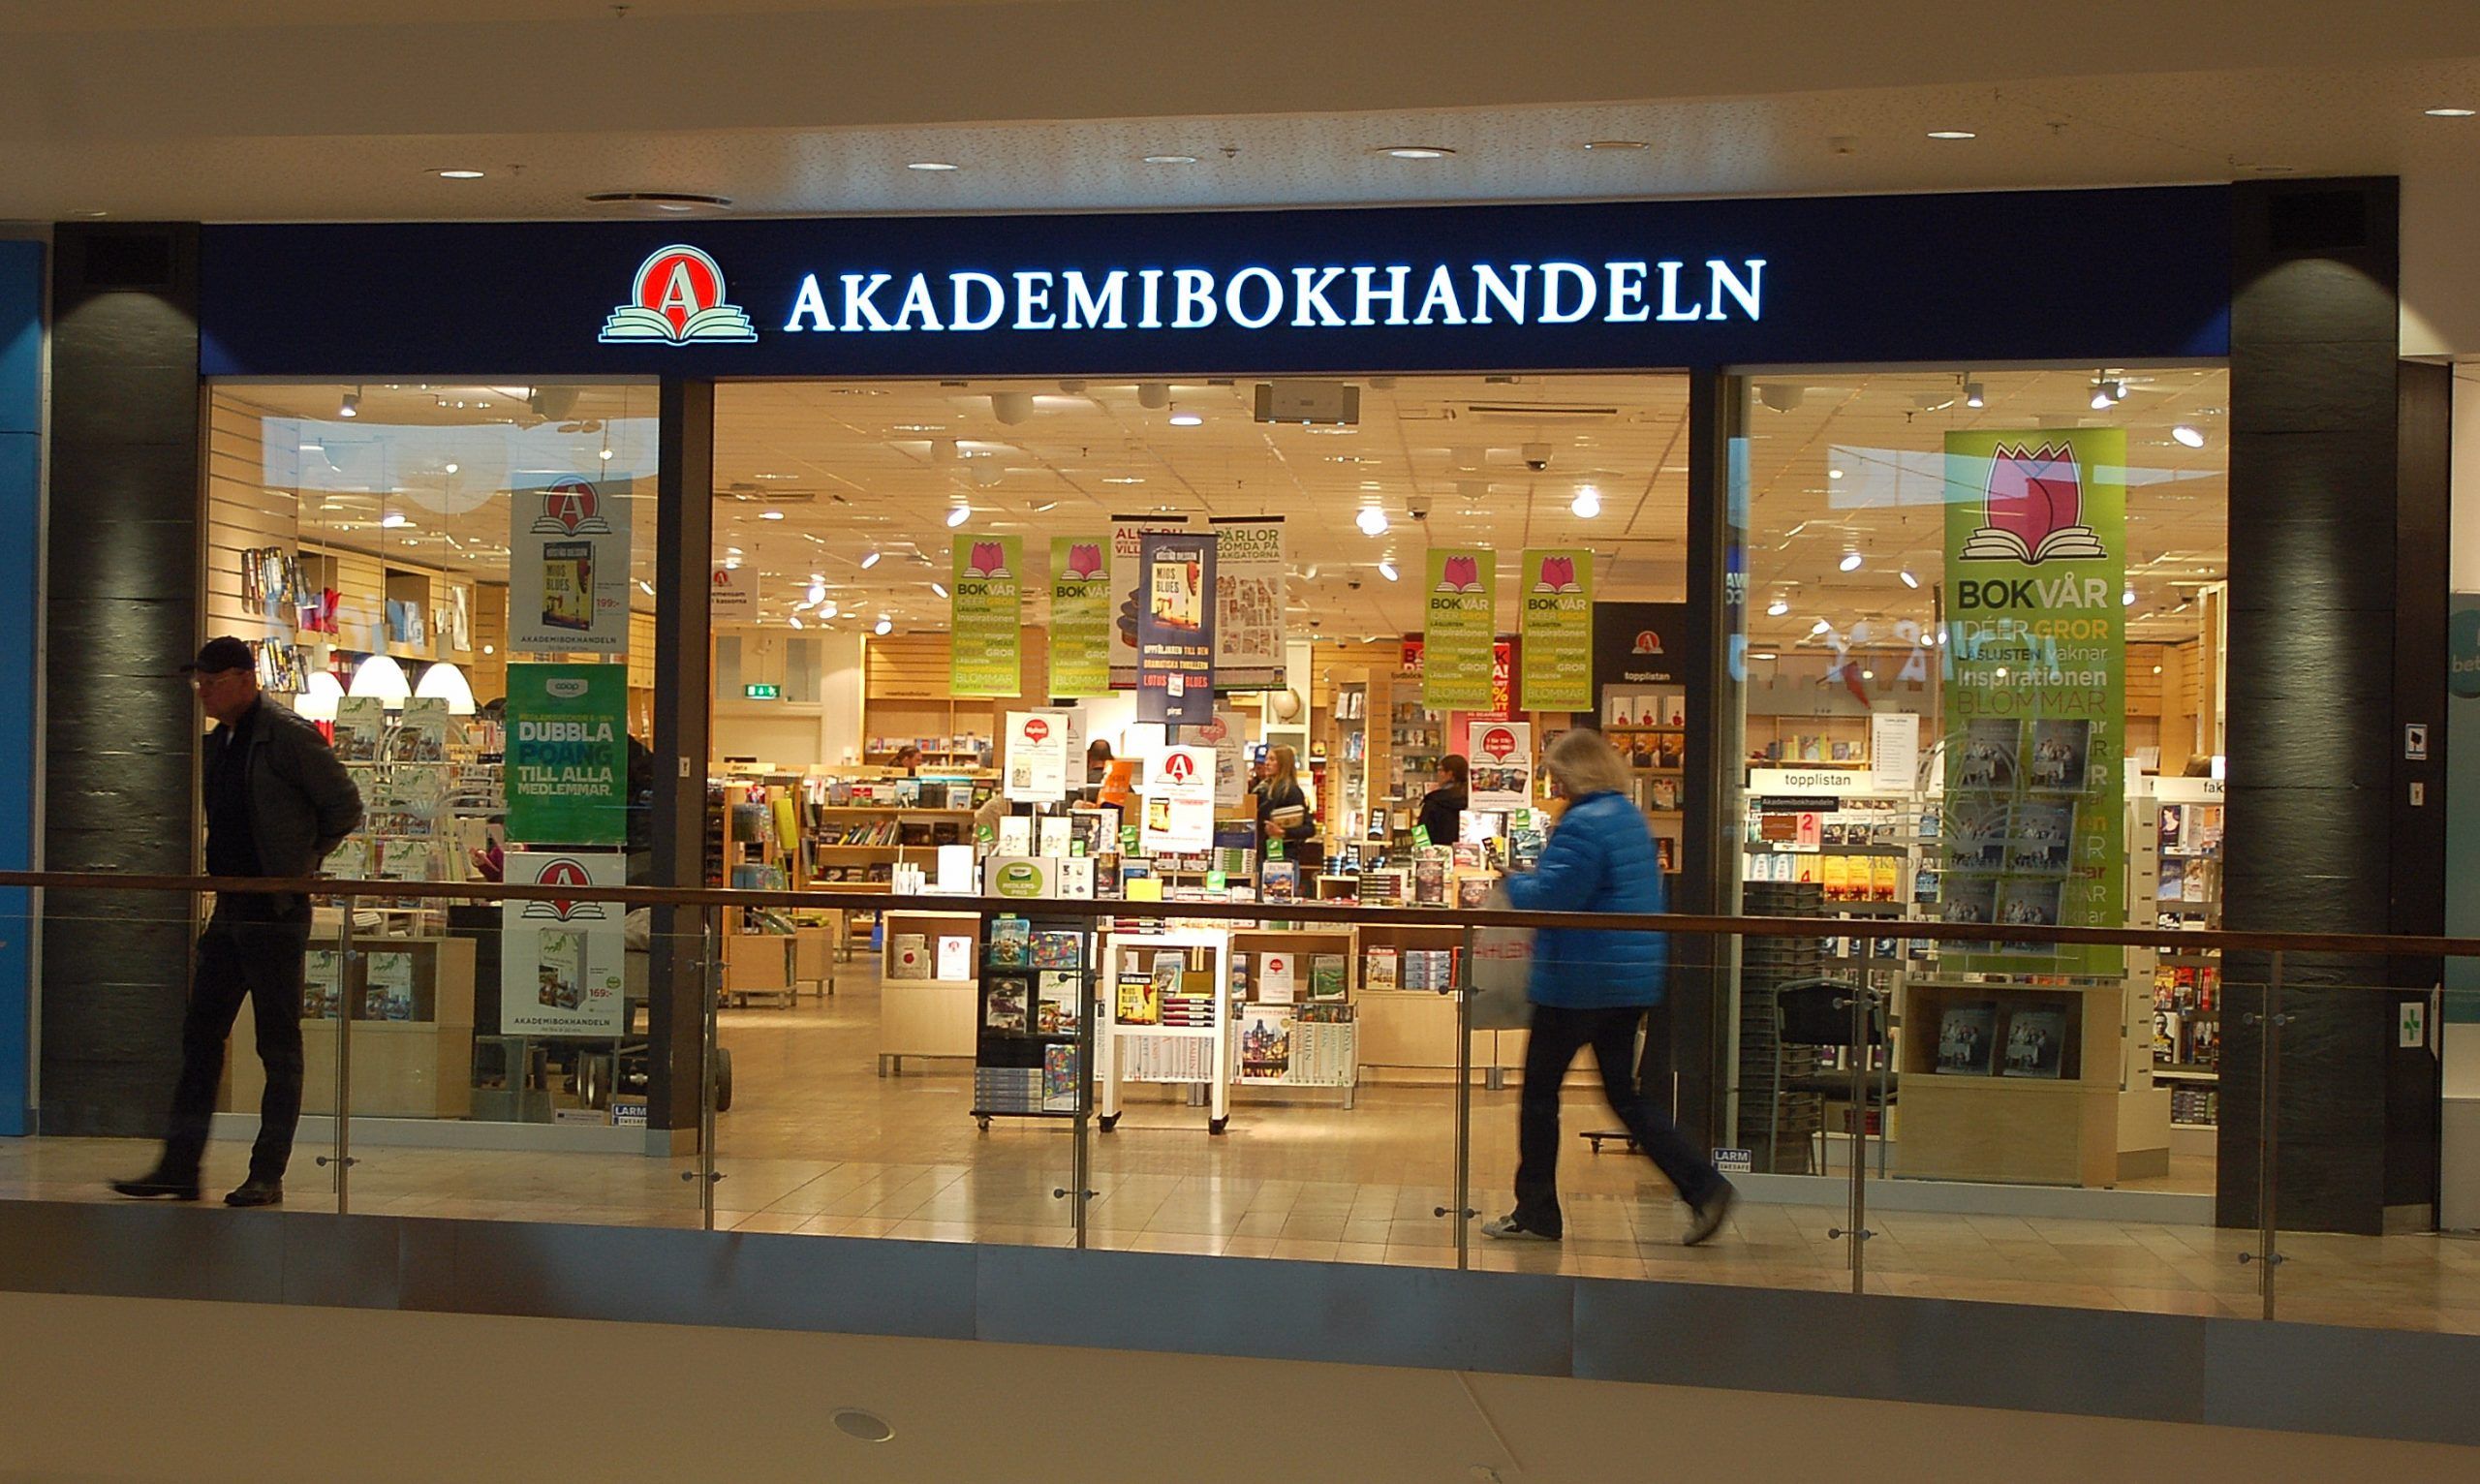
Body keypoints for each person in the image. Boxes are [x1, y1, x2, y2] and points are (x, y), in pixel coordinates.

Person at [113, 637, 363, 1208]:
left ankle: (266, 1173)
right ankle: (179, 1166)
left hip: (274, 913)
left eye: (213, 681)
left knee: (277, 1047)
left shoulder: (287, 735)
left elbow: (344, 805)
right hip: (229, 911)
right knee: (200, 1037)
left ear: (247, 680)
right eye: (198, 682)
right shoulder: (220, 740)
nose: (203, 692)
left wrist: (300, 864)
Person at [1484, 727, 1733, 1248]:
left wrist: (1513, 880)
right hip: (1625, 981)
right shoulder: (1627, 817)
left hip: (1577, 980)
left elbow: (1553, 897)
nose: (1554, 785)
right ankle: (1703, 1186)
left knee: (1539, 1096)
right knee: (1624, 1096)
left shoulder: (1583, 823)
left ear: (1577, 772)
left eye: (1557, 774)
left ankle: (1537, 1212)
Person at [1256, 744, 1315, 852]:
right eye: (1266, 759)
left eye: (1272, 759)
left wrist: (1283, 832)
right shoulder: (1262, 789)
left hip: (1283, 854)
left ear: (1283, 764)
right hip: (1265, 851)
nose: (1267, 763)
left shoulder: (1291, 791)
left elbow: (1309, 829)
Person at [1418, 754, 1470, 845]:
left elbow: (1421, 835)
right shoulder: (1472, 799)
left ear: (1450, 774)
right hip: (1467, 850)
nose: (1438, 774)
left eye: (1440, 770)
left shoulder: (1434, 800)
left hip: (1438, 851)